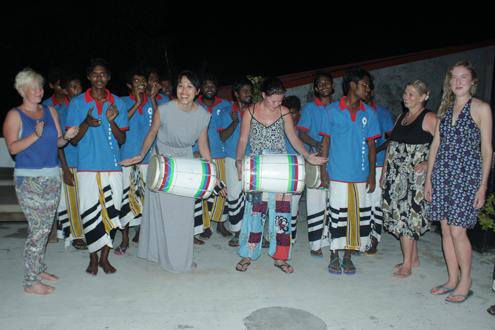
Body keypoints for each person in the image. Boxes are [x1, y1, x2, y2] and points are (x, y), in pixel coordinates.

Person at [121, 70, 225, 273]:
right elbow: (152, 133)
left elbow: (204, 147)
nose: (183, 91)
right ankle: (164, 255)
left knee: (183, 217)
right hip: (163, 167)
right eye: (180, 85)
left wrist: (215, 176)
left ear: (197, 91)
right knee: (163, 214)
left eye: (189, 87)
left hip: (186, 169)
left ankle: (179, 259)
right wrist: (141, 155)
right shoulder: (165, 109)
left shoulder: (203, 115)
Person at [234, 77, 326, 273]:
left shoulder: (284, 113)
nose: (277, 104)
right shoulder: (249, 112)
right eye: (273, 100)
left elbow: (293, 138)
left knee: (282, 216)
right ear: (264, 95)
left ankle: (280, 257)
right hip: (257, 169)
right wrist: (239, 160)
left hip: (281, 170)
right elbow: (242, 139)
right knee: (254, 214)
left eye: (280, 101)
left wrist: (309, 157)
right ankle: (248, 255)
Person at [2, 68, 78, 295]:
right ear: (21, 91)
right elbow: (13, 148)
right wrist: (34, 135)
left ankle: (39, 268)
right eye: (33, 87)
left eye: (40, 86)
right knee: (38, 230)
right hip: (29, 179)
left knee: (45, 228)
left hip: (51, 176)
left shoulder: (50, 111)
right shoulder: (14, 115)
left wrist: (68, 137)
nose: (38, 91)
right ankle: (30, 281)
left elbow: (57, 143)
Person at [425, 61, 492, 303]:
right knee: (444, 229)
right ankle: (452, 279)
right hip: (443, 175)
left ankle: (466, 280)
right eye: (454, 77)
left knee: (457, 230)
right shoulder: (445, 109)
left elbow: (486, 150)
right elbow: (435, 146)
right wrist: (429, 181)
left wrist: (483, 186)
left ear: (473, 82)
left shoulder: (481, 108)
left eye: (464, 77)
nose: (458, 81)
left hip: (467, 177)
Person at [66, 58, 129, 275]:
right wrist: (85, 122)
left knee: (111, 213)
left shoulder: (118, 103)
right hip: (87, 167)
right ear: (89, 77)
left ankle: (105, 258)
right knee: (90, 213)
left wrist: (112, 121)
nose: (99, 78)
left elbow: (122, 140)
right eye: (95, 74)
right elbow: (73, 140)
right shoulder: (77, 103)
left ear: (109, 77)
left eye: (103, 74)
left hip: (112, 167)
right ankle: (92, 258)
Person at [320, 68, 381, 275]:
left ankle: (348, 255)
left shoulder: (370, 113)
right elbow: (325, 141)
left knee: (356, 217)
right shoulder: (331, 111)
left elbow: (372, 146)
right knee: (337, 216)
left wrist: (372, 174)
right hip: (337, 173)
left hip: (360, 175)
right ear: (352, 85)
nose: (368, 89)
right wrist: (323, 169)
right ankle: (334, 254)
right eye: (365, 84)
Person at [381, 80, 437, 277]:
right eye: (405, 93)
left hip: (414, 179)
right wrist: (384, 172)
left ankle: (407, 265)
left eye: (412, 94)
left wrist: (428, 164)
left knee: (407, 220)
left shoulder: (429, 118)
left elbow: (444, 146)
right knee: (400, 218)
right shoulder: (401, 117)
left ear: (423, 97)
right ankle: (413, 258)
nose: (406, 96)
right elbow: (392, 146)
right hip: (395, 177)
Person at [115, 67, 160, 255]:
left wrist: (150, 100)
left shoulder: (152, 102)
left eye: (143, 80)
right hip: (127, 158)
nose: (141, 83)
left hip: (148, 158)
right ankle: (124, 238)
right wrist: (138, 103)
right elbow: (120, 125)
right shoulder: (122, 102)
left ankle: (143, 233)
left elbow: (160, 124)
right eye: (137, 81)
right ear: (129, 85)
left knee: (148, 199)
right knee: (125, 199)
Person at [296, 72, 335, 257]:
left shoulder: (338, 108)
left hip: (337, 161)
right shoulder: (310, 109)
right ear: (316, 89)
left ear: (333, 86)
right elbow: (301, 133)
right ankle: (315, 243)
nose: (324, 86)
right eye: (321, 84)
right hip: (316, 159)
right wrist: (314, 143)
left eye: (327, 83)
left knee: (334, 202)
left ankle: (332, 240)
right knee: (315, 202)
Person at [218, 77, 253, 247]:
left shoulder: (256, 111)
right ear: (236, 94)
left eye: (250, 90)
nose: (249, 93)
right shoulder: (227, 112)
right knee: (234, 195)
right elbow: (222, 137)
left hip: (251, 159)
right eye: (245, 90)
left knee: (251, 196)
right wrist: (235, 121)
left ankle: (252, 230)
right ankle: (236, 231)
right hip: (232, 158)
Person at [196, 74, 232, 239]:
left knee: (222, 190)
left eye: (212, 85)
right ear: (200, 89)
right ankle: (204, 225)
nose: (209, 88)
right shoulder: (194, 106)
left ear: (216, 88)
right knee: (203, 190)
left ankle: (220, 223)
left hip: (218, 154)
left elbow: (225, 131)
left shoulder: (225, 105)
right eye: (206, 85)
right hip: (199, 155)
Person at [55, 72, 86, 250]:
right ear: (65, 90)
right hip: (70, 162)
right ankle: (77, 235)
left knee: (85, 200)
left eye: (79, 85)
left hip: (86, 162)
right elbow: (58, 142)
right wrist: (65, 170)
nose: (77, 90)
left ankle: (84, 230)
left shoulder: (84, 106)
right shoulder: (61, 111)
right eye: (73, 87)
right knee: (73, 202)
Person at [365, 78, 394, 255]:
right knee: (363, 203)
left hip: (377, 163)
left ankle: (374, 238)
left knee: (375, 203)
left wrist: (376, 149)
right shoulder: (357, 112)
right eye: (363, 86)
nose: (366, 90)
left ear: (373, 91)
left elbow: (392, 138)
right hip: (359, 165)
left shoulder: (382, 113)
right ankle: (362, 238)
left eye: (369, 88)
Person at [282, 95, 302, 242]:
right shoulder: (279, 130)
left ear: (299, 113)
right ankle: (277, 235)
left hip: (297, 173)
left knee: (293, 205)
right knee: (280, 204)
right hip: (281, 172)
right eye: (288, 113)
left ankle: (291, 237)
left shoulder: (302, 131)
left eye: (293, 113)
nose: (291, 116)